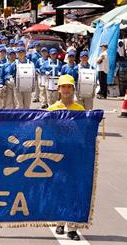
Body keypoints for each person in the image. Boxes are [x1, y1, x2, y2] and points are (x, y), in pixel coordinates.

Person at [47, 74, 84, 241]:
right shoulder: (52, 109)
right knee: (60, 188)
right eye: (64, 87)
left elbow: (84, 133)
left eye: (69, 87)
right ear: (58, 89)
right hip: (57, 155)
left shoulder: (80, 110)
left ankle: (72, 227)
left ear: (73, 89)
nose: (66, 90)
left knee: (74, 189)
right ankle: (60, 221)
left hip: (75, 154)